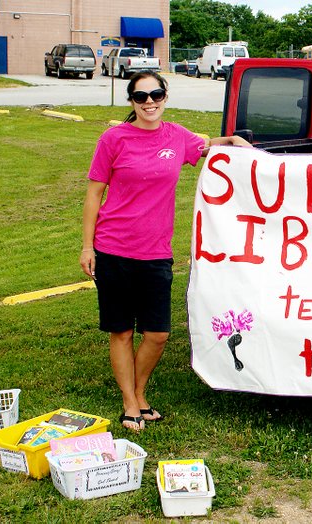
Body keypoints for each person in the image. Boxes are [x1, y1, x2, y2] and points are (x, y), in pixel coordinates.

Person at [79, 71, 251, 431]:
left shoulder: (177, 135)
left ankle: (139, 391)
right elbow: (94, 194)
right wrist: (87, 246)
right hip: (113, 248)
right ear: (131, 102)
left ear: (165, 95)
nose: (149, 103)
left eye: (155, 94)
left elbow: (205, 147)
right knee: (122, 331)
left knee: (157, 334)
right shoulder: (113, 139)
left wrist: (233, 139)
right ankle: (131, 402)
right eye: (141, 97)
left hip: (156, 252)